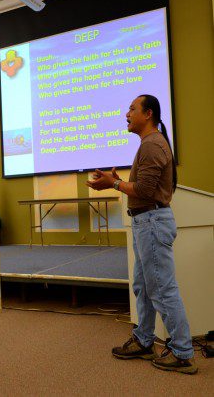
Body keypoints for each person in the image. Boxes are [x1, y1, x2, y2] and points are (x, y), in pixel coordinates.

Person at [86, 94, 197, 375]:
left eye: (132, 109)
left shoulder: (151, 145)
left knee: (161, 288)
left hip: (151, 222)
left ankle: (183, 352)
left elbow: (146, 192)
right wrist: (116, 182)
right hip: (146, 223)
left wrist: (116, 183)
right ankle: (145, 341)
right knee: (144, 287)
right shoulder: (151, 144)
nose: (127, 114)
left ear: (148, 114)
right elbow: (145, 186)